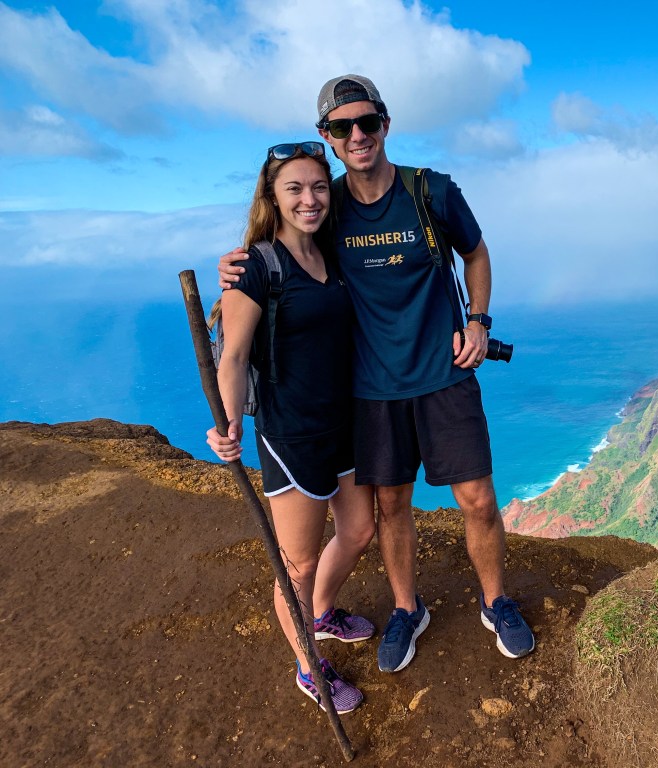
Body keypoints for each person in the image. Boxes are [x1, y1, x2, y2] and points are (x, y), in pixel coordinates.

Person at [218, 75, 534, 674]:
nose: (357, 135)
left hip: (444, 375)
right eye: (343, 127)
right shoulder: (326, 206)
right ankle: (406, 609)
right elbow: (284, 243)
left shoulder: (430, 192)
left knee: (478, 499)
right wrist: (236, 266)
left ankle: (496, 601)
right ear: (328, 137)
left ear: (385, 124)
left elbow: (477, 253)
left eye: (368, 122)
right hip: (370, 390)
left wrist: (480, 320)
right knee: (390, 507)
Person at [206, 141, 376, 713]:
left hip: (344, 424)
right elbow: (231, 357)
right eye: (295, 189)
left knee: (358, 532)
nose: (310, 199)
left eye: (319, 187)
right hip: (291, 433)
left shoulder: (331, 251)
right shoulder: (255, 266)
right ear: (272, 198)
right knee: (296, 564)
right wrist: (227, 424)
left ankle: (321, 616)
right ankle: (310, 668)